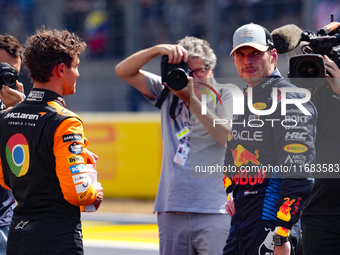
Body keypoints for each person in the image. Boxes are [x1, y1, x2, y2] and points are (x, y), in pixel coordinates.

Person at [115, 36, 232, 255]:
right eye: (187, 73)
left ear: (211, 69)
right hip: (172, 208)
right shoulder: (168, 92)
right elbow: (123, 71)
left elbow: (228, 139)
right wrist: (156, 50)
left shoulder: (225, 95)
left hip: (215, 209)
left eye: (199, 72)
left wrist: (191, 100)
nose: (193, 79)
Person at [0, 27, 104, 255]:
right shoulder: (66, 122)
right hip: (55, 238)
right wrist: (94, 191)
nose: (78, 73)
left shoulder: (7, 116)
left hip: (18, 237)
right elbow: (77, 193)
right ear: (60, 69)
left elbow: (7, 180)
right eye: (76, 66)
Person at [223, 23, 316, 255]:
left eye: (256, 53)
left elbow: (299, 169)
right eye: (241, 54)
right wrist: (230, 192)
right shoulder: (243, 99)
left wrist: (282, 231)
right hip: (242, 218)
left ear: (273, 55)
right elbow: (231, 152)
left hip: (271, 220)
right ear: (233, 59)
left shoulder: (290, 99)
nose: (248, 61)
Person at [0, 34, 25, 254]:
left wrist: (22, 110)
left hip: (4, 219)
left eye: (11, 73)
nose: (6, 77)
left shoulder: (13, 108)